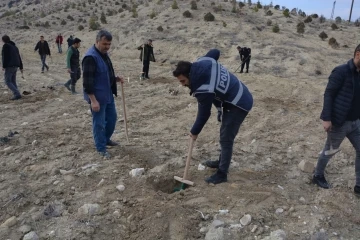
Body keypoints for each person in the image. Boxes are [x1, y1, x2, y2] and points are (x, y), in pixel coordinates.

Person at [172, 49, 253, 184]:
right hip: (236, 94)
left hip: (239, 102)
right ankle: (222, 161)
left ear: (189, 75)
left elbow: (204, 114)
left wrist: (194, 131)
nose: (183, 85)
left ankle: (222, 174)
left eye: (183, 81)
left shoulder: (202, 87)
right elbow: (215, 52)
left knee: (226, 137)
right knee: (224, 133)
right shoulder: (202, 61)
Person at [313, 44, 360, 196]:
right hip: (339, 122)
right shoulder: (341, 71)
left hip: (355, 123)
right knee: (329, 151)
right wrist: (326, 118)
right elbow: (329, 94)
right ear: (358, 54)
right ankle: (317, 175)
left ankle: (359, 186)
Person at [82, 30, 124, 158]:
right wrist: (93, 101)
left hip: (107, 94)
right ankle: (100, 148)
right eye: (105, 44)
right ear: (97, 41)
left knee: (112, 118)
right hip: (97, 97)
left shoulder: (104, 54)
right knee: (99, 123)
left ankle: (105, 139)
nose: (107, 47)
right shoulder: (90, 57)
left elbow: (104, 73)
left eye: (109, 44)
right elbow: (87, 83)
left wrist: (115, 78)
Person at [1, 35, 23, 100]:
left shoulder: (6, 46)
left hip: (10, 66)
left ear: (3, 40)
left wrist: (4, 66)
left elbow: (5, 57)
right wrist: (21, 66)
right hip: (16, 65)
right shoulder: (15, 47)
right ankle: (16, 94)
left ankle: (17, 94)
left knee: (7, 81)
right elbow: (19, 57)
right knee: (13, 81)